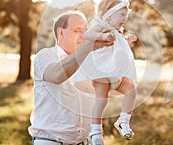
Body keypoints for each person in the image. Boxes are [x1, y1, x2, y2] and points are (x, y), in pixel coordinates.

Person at [28, 10, 114, 145]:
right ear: (61, 33)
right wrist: (89, 46)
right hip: (50, 142)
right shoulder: (45, 56)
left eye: (86, 31)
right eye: (78, 30)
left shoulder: (90, 61)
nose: (84, 35)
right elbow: (57, 75)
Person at [72, 0, 137, 145]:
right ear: (109, 14)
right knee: (101, 99)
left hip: (115, 71)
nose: (124, 19)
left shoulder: (117, 30)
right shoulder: (101, 25)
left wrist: (126, 40)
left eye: (126, 16)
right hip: (100, 69)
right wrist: (102, 36)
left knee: (131, 88)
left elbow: (117, 44)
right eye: (121, 15)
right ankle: (95, 131)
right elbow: (87, 35)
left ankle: (123, 120)